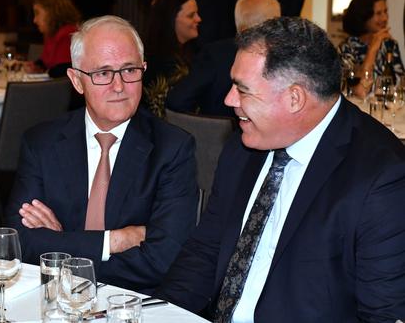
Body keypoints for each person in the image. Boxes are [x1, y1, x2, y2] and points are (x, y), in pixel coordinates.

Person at [156, 16, 405, 321]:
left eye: (242, 89)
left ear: (294, 98)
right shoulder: (243, 146)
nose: (228, 99)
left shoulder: (382, 178)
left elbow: (383, 313)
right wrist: (159, 315)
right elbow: (205, 252)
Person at [6, 15, 199, 294]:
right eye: (103, 73)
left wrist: (64, 245)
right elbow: (20, 242)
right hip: (51, 302)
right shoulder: (42, 143)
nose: (119, 86)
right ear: (77, 81)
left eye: (130, 70)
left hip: (131, 304)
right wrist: (113, 241)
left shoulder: (172, 149)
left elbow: (162, 258)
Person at [166, 0, 281, 117]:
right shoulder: (287, 57)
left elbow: (177, 100)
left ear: (238, 21)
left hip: (219, 134)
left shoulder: (216, 54)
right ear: (276, 21)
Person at [142, 0, 200, 117]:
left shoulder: (189, 53)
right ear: (171, 19)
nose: (198, 19)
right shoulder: (159, 63)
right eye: (191, 15)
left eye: (197, 13)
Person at [338, 0, 404, 98]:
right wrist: (373, 49)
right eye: (378, 13)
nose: (385, 18)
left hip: (387, 111)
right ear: (364, 16)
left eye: (385, 11)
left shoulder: (390, 45)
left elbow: (400, 86)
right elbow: (359, 92)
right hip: (359, 110)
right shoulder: (346, 49)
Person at [30, 0, 80, 78]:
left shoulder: (68, 35)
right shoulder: (51, 34)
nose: (34, 20)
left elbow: (62, 71)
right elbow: (46, 63)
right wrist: (35, 66)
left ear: (51, 13)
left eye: (37, 13)